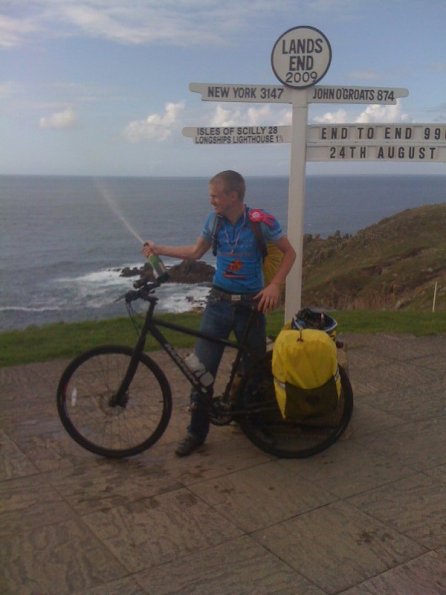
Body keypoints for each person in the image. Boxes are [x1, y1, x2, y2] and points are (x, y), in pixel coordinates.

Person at [143, 170, 296, 456]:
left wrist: (275, 285)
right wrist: (159, 248)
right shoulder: (213, 221)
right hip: (218, 304)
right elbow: (195, 252)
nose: (211, 200)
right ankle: (195, 432)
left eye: (215, 195)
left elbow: (290, 253)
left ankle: (256, 426)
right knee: (201, 371)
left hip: (251, 306)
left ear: (233, 195)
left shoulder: (260, 221)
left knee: (254, 371)